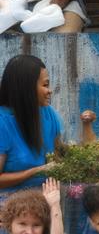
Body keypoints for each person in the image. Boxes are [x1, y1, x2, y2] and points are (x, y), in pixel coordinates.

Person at [0, 55, 81, 198]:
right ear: (26, 89)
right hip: (9, 207)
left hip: (47, 199)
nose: (49, 91)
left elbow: (58, 153)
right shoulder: (3, 123)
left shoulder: (48, 113)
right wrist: (34, 172)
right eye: (45, 85)